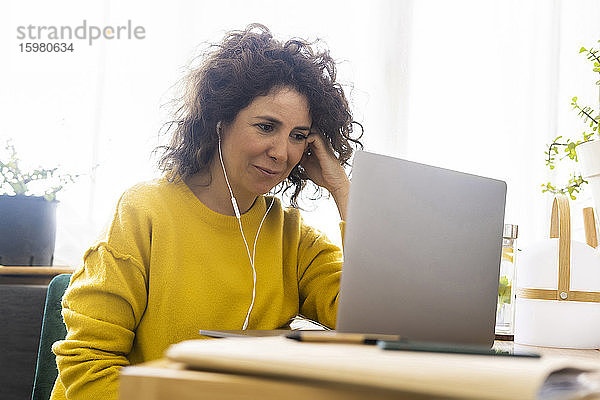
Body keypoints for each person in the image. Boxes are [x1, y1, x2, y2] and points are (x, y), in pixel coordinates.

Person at [50, 23, 363, 399]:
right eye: (266, 127)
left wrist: (343, 190)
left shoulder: (292, 236)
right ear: (220, 121)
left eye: (299, 136)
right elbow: (88, 367)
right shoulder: (142, 213)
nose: (282, 153)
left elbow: (374, 322)